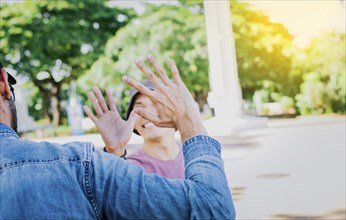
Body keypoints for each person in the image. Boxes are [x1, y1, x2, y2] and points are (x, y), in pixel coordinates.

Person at [0, 56, 236, 219]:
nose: (148, 114)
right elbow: (212, 209)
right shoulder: (84, 167)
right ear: (4, 83)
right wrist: (189, 119)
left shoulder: (96, 168)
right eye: (140, 106)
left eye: (155, 104)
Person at [85, 79, 184, 179]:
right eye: (139, 108)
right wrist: (115, 152)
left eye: (156, 104)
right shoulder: (130, 167)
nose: (147, 113)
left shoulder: (195, 157)